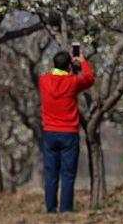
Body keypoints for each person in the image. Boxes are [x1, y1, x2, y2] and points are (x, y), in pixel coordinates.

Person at [39, 48, 95, 213]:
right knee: (68, 173)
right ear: (70, 67)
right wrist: (83, 62)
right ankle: (66, 209)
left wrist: (66, 64)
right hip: (69, 133)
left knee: (50, 173)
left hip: (49, 133)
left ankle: (50, 209)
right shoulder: (73, 82)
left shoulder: (43, 81)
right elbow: (89, 79)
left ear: (53, 65)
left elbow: (54, 74)